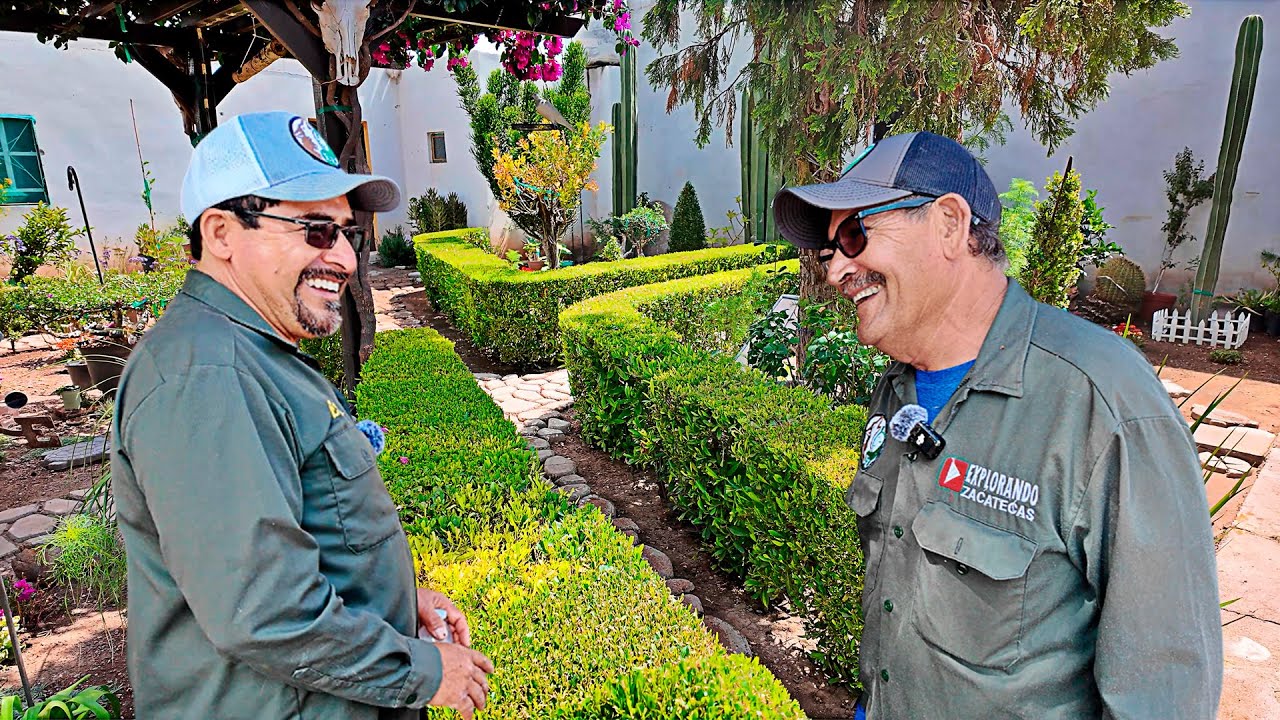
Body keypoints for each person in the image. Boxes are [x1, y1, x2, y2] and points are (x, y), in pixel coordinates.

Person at [773, 131, 1222, 719]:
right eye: (830, 250)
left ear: (950, 225)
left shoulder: (1100, 402)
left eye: (855, 233)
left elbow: (1165, 694)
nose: (836, 272)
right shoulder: (897, 389)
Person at [110, 111, 494, 720]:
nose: (343, 257)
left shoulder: (252, 351)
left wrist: (395, 601)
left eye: (349, 232)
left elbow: (300, 540)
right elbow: (263, 610)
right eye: (315, 230)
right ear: (221, 233)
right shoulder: (209, 377)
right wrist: (417, 669)